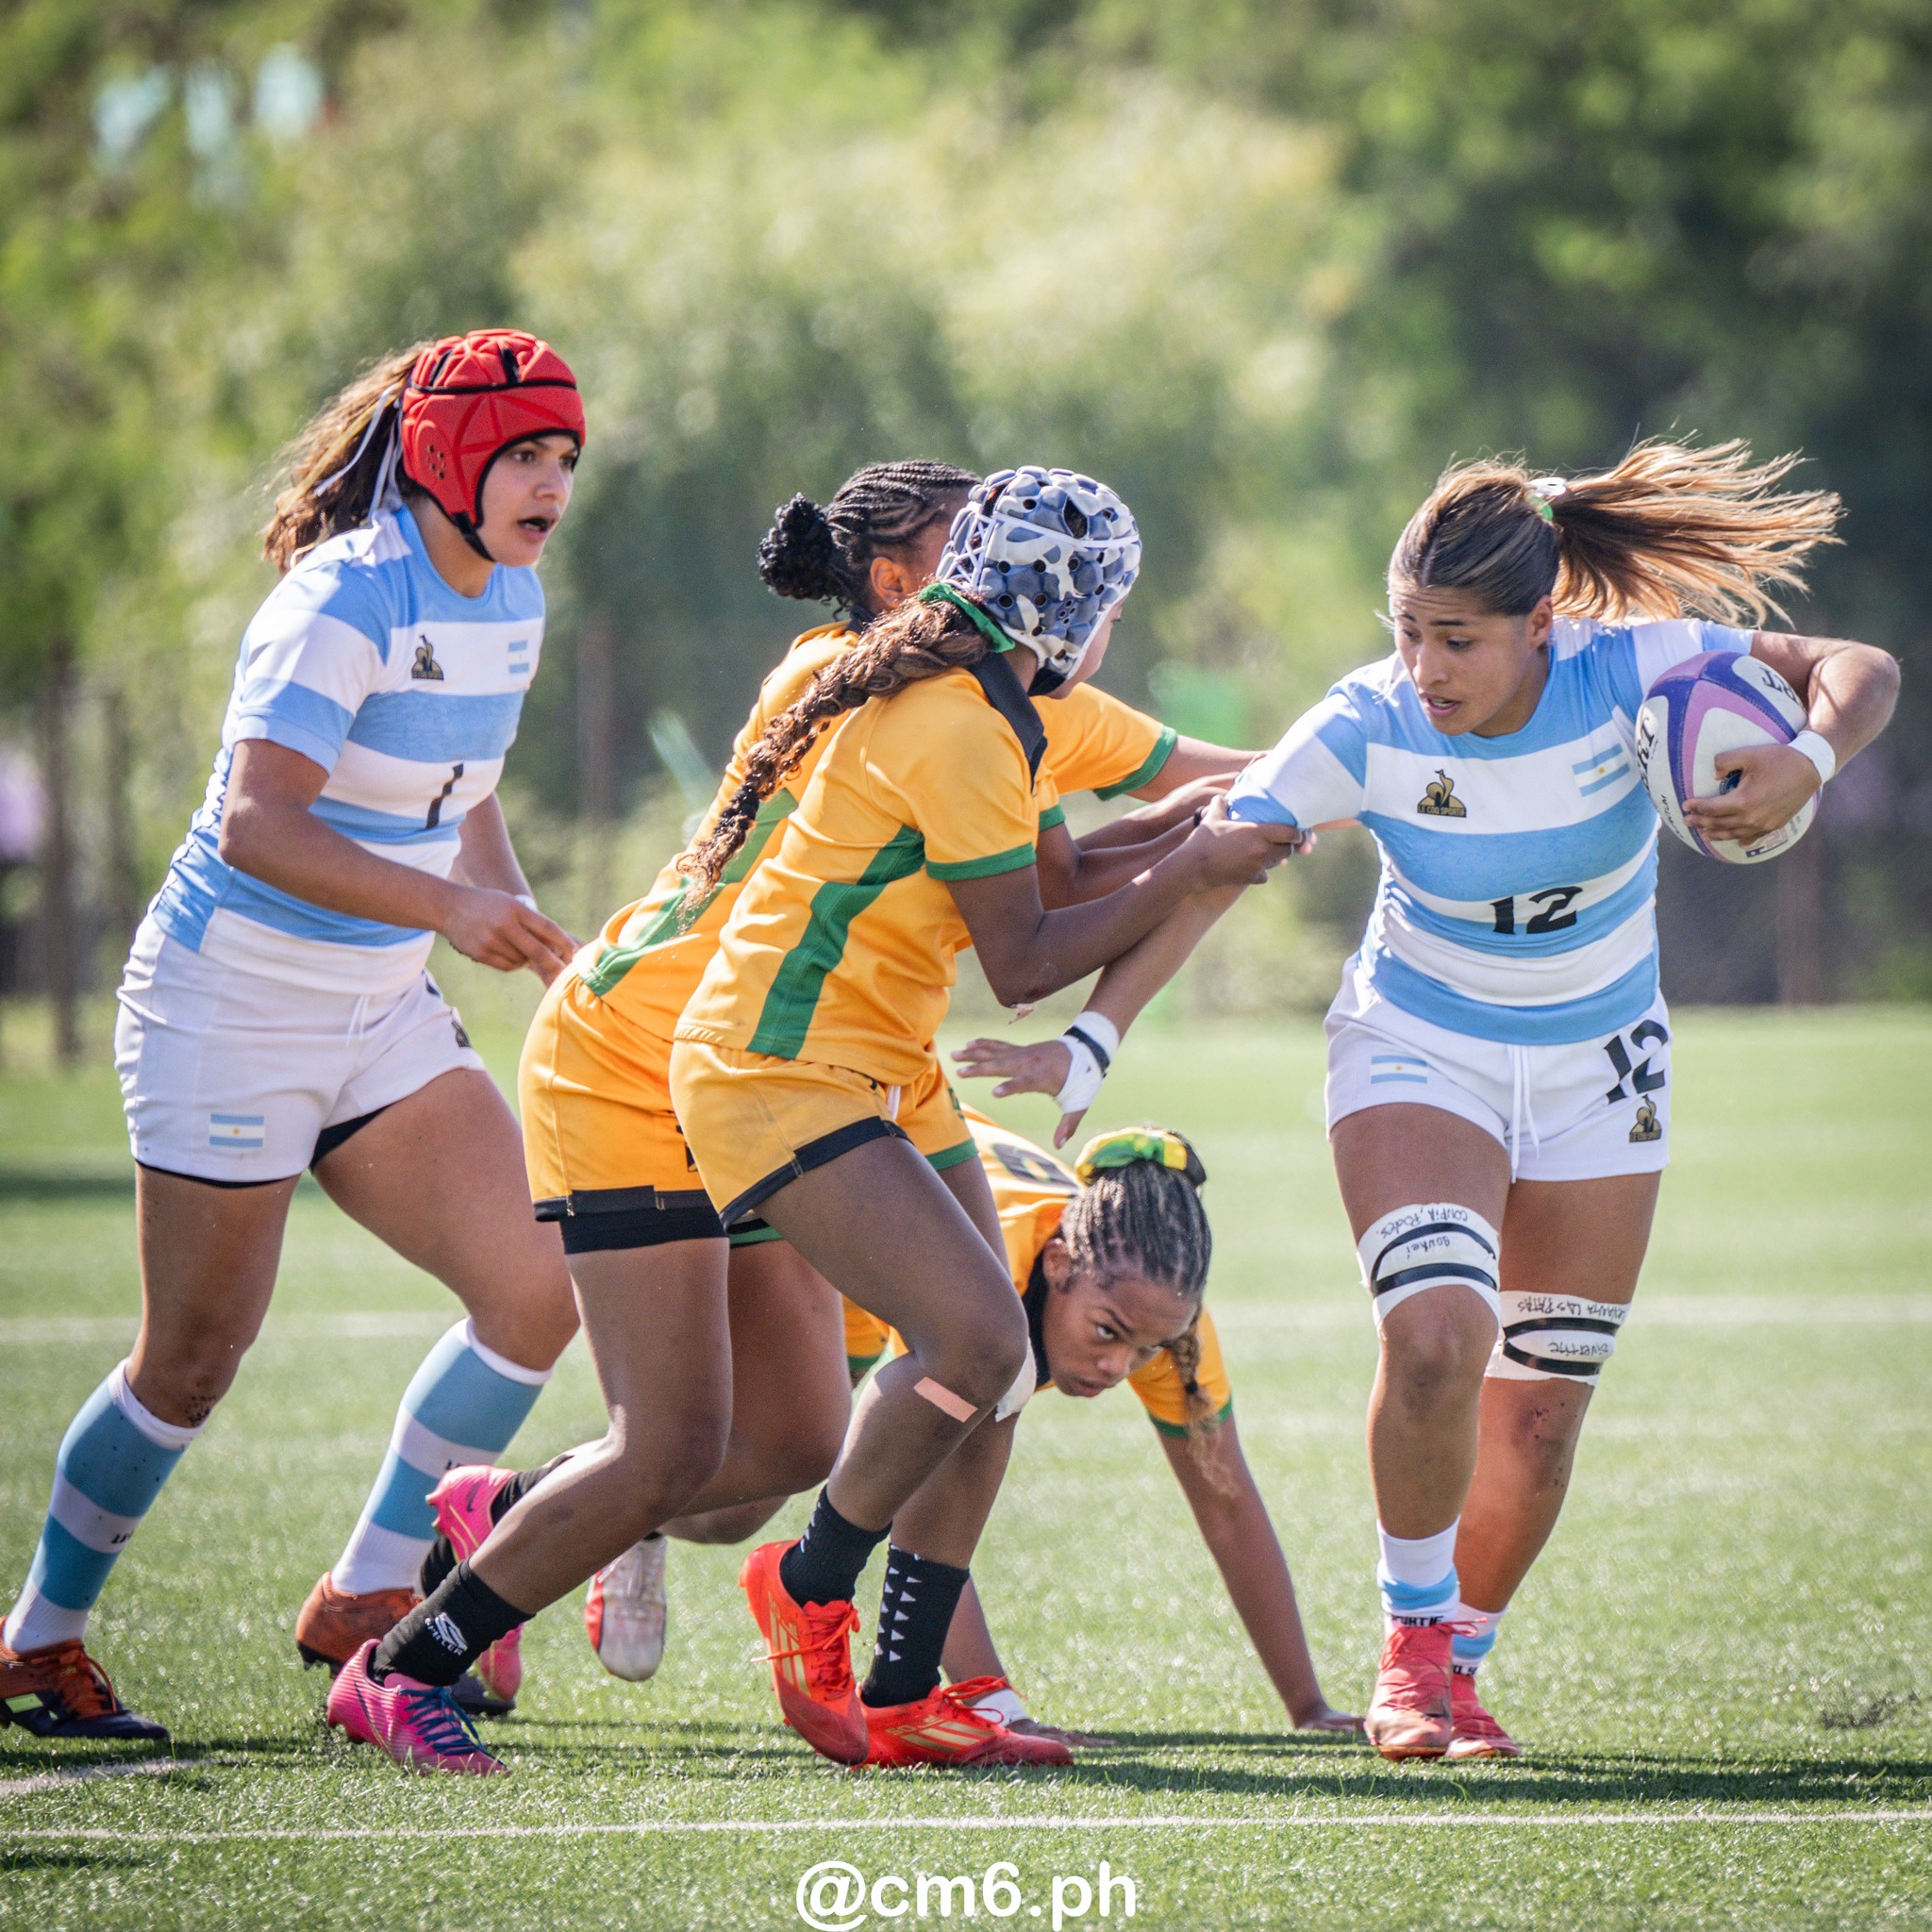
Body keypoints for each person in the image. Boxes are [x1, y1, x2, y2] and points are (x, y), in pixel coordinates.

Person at [319, 463, 1265, 1774]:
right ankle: (430, 1653)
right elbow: (1032, 943)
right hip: (692, 1059)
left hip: (857, 1055)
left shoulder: (983, 694)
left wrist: (1289, 795)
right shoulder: (937, 706)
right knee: (689, 1445)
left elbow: (1090, 841)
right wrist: (1208, 853)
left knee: (845, 1420)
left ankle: (900, 1681)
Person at [1211, 441, 1899, 1759]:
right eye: (1408, 632)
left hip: (1604, 1066)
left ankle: (1464, 1663)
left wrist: (1809, 758)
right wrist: (1089, 1032)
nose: (1427, 666)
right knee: (1433, 1334)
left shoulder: (1635, 664)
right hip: (1421, 1043)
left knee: (1539, 1406)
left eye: (1457, 639)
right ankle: (1408, 1657)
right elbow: (1222, 848)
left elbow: (1860, 667)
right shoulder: (1369, 719)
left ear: (1543, 623)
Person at [0, 332, 587, 1742]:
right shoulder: (340, 598)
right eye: (523, 455)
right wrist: (452, 907)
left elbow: (469, 788)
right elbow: (262, 828)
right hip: (229, 1006)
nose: (551, 483)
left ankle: (369, 1593)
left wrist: (503, 903)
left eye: (566, 458)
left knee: (535, 1290)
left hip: (375, 1006)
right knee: (191, 1361)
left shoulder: (515, 591)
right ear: (448, 460)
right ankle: (38, 1642)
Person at [831, 1109, 1360, 1753]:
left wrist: (1308, 1706)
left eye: (1146, 1349)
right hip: (822, 1186)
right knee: (752, 1470)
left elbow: (1227, 1503)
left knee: (747, 1494)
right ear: (1057, 1264)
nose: (1118, 1367)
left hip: (867, 1269)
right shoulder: (991, 1269)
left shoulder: (1163, 1321)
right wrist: (999, 1709)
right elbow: (918, 1494)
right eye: (1106, 1332)